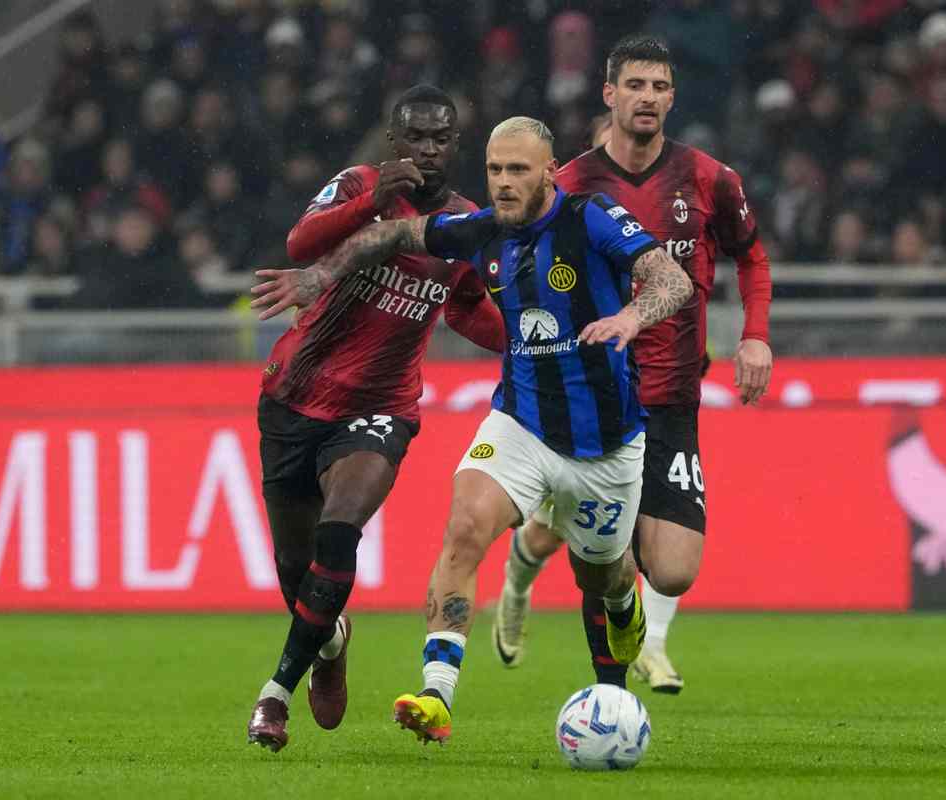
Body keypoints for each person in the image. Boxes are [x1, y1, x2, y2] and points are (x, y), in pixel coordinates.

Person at [252, 116, 693, 745]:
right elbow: (393, 235)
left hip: (607, 445)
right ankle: (438, 694)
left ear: (547, 172)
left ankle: (624, 607)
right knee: (463, 528)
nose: (505, 182)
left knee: (604, 577)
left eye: (518, 170)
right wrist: (318, 277)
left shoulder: (591, 215)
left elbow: (671, 279)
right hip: (521, 421)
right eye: (495, 170)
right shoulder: (480, 231)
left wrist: (629, 316)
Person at [491, 35, 774, 694]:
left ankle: (635, 630)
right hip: (594, 396)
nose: (647, 98)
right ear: (609, 94)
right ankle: (610, 692)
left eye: (659, 87)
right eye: (635, 86)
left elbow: (752, 257)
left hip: (673, 395)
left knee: (671, 568)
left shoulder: (708, 177)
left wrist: (755, 335)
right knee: (603, 549)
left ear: (672, 97)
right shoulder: (568, 186)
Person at [241, 86, 506, 752]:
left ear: (455, 145)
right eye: (414, 137)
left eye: (439, 138)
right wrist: (372, 201)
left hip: (381, 406)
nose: (426, 149)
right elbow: (302, 243)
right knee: (297, 572)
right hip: (294, 397)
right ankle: (330, 642)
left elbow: (466, 306)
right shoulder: (358, 185)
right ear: (394, 143)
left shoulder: (465, 223)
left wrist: (528, 341)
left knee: (340, 535)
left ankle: (274, 696)